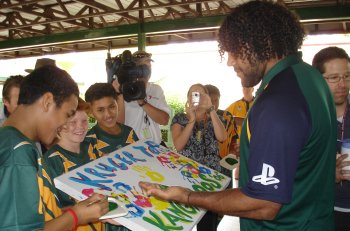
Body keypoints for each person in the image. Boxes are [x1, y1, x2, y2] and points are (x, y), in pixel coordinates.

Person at [139, 1, 337, 230]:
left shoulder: (277, 103)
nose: (230, 61)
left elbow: (263, 203)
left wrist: (187, 196)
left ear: (264, 43)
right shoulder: (309, 78)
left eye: (235, 50)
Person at [0, 65, 108, 230]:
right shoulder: (18, 153)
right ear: (47, 102)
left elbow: (32, 219)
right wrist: (76, 216)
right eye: (67, 115)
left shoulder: (10, 140)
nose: (64, 125)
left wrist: (78, 211)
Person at [171, 83, 227, 231]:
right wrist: (191, 119)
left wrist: (211, 110)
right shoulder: (179, 118)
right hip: (186, 176)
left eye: (201, 94)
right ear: (188, 98)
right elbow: (178, 145)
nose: (198, 98)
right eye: (193, 94)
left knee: (208, 223)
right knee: (182, 219)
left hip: (210, 179)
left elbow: (222, 137)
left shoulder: (216, 118)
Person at [44, 97, 105, 231]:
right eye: (73, 122)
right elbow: (54, 209)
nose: (80, 127)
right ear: (59, 124)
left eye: (84, 121)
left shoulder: (92, 144)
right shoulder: (52, 160)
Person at [85, 82, 139, 231]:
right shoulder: (89, 141)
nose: (108, 114)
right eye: (100, 110)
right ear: (90, 111)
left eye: (112, 107)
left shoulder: (130, 133)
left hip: (136, 204)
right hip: (109, 213)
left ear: (117, 103)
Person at [312, 46, 350, 231]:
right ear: (319, 79)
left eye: (347, 76)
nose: (342, 84)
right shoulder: (308, 120)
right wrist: (326, 175)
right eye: (334, 78)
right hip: (323, 212)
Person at [114, 50, 171, 145]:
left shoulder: (156, 89)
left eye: (149, 66)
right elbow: (118, 125)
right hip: (131, 148)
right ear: (135, 69)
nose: (148, 71)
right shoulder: (122, 89)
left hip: (155, 146)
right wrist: (120, 93)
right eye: (144, 67)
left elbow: (164, 120)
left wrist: (141, 101)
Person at [205, 84, 238, 158]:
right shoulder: (196, 117)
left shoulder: (227, 117)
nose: (213, 104)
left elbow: (233, 139)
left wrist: (233, 151)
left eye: (216, 100)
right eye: (210, 100)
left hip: (224, 164)